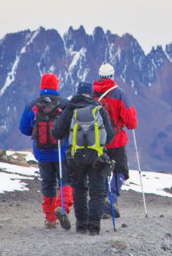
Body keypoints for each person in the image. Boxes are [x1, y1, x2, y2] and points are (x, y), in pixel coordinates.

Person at [52, 81, 115, 235]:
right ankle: (94, 226)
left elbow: (56, 133)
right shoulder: (99, 109)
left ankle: (81, 225)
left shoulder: (70, 109)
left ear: (78, 92)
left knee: (79, 190)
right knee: (97, 192)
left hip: (75, 158)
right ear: (91, 93)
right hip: (97, 157)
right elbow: (110, 136)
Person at [19, 73, 73, 229]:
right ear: (56, 85)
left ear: (41, 85)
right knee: (66, 180)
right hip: (61, 151)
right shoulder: (64, 104)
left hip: (42, 152)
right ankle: (62, 208)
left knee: (48, 183)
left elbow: (24, 129)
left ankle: (50, 218)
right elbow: (72, 126)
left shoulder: (32, 105)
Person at [92, 62, 137, 219]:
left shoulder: (92, 93)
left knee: (101, 170)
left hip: (97, 140)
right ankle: (112, 199)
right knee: (120, 170)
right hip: (116, 140)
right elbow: (131, 122)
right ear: (112, 75)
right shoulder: (119, 94)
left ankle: (104, 202)